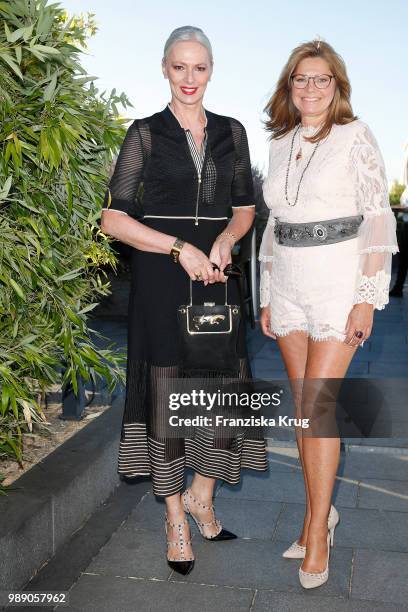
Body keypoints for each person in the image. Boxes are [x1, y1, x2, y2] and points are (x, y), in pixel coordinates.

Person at [101, 25, 267, 576]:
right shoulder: (145, 134)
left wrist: (224, 240)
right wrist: (177, 247)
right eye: (180, 67)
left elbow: (244, 206)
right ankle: (175, 515)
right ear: (165, 69)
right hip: (162, 280)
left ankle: (201, 493)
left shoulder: (232, 132)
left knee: (219, 393)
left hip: (218, 277)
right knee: (168, 394)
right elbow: (113, 219)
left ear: (211, 69)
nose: (189, 78)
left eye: (199, 67)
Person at [259, 39, 398, 589]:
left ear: (336, 86)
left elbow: (377, 216)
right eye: (301, 78)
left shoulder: (355, 136)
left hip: (338, 284)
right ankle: (319, 512)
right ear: (288, 86)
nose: (310, 88)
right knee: (302, 409)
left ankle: (317, 530)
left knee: (319, 408)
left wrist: (367, 294)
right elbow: (273, 224)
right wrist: (268, 291)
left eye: (321, 79)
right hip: (289, 285)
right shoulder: (279, 142)